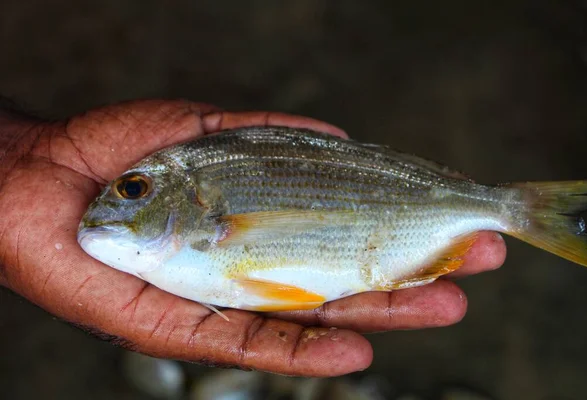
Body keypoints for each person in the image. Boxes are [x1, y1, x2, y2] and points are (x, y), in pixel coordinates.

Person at [0, 99, 506, 376]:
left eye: (134, 188)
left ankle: (511, 210)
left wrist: (21, 156)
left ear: (190, 202)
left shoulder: (197, 196)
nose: (113, 202)